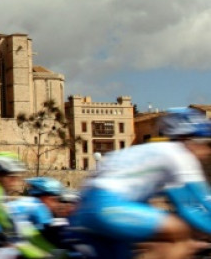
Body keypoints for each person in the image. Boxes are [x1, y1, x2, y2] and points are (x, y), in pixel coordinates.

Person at [72, 107, 211, 259]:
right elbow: (193, 206)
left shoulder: (146, 151)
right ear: (191, 140)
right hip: (109, 208)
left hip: (83, 212)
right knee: (178, 231)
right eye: (206, 143)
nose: (207, 151)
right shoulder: (179, 154)